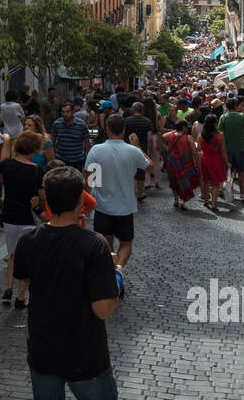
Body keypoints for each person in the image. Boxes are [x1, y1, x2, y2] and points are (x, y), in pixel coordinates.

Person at [13, 166, 119, 400]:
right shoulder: (93, 246)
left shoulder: (28, 240)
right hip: (84, 355)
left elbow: (23, 280)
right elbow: (103, 308)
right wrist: (115, 278)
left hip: (42, 350)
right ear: (79, 203)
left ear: (45, 203)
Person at [84, 113, 150, 292]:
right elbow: (149, 166)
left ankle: (110, 272)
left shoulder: (96, 150)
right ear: (124, 130)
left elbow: (89, 178)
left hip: (103, 206)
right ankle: (118, 270)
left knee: (105, 244)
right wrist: (138, 146)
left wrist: (86, 202)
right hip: (125, 207)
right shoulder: (132, 151)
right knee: (126, 243)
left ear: (106, 129)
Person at [0, 131, 45, 309]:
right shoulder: (36, 170)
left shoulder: (7, 165)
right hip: (27, 218)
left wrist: (6, 142)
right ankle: (20, 297)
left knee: (12, 255)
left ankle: (8, 287)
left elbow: (3, 162)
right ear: (33, 150)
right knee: (26, 258)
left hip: (9, 216)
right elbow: (41, 196)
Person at [219, 98, 244, 202]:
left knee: (228, 171)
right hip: (240, 147)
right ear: (236, 106)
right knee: (241, 172)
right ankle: (241, 193)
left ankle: (228, 191)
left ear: (227, 107)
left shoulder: (223, 117)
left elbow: (220, 133)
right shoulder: (242, 116)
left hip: (227, 149)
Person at [164, 122, 201, 210]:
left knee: (174, 182)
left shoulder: (170, 136)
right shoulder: (188, 138)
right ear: (183, 127)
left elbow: (163, 135)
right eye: (186, 127)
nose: (188, 129)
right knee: (184, 181)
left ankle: (176, 200)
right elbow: (194, 152)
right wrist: (198, 164)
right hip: (185, 163)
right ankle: (182, 201)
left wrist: (174, 131)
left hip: (172, 163)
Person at [124, 99, 154, 204]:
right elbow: (150, 138)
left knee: (128, 171)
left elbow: (123, 135)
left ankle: (129, 193)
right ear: (142, 110)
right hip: (142, 150)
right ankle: (140, 194)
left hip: (128, 149)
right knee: (141, 172)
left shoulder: (127, 120)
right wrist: (149, 151)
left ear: (133, 109)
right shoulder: (147, 121)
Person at [198, 114, 229, 212]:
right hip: (215, 159)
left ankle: (206, 200)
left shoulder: (201, 135)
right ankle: (213, 204)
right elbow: (223, 150)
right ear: (215, 123)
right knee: (216, 183)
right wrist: (227, 162)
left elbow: (199, 148)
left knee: (206, 181)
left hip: (205, 159)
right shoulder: (220, 135)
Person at [52, 101, 91, 171]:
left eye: (67, 111)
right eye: (63, 112)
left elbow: (87, 143)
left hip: (77, 160)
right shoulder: (57, 124)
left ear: (73, 111)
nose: (65, 114)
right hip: (61, 159)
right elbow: (53, 141)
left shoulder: (81, 124)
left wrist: (88, 158)